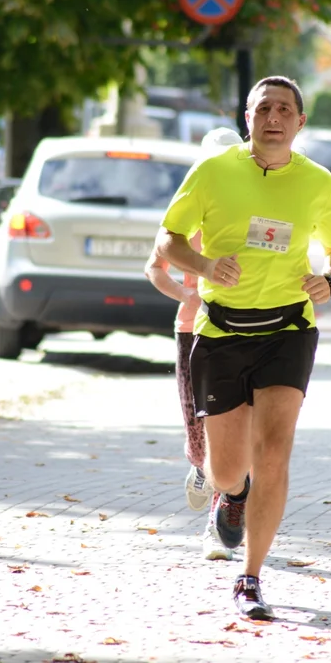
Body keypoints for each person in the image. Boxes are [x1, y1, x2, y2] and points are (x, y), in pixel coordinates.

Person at [154, 76, 331, 620]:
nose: (273, 117)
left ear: (299, 122)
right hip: (220, 331)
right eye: (263, 107)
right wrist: (202, 265)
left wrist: (329, 282)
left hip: (288, 329)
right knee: (225, 470)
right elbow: (167, 239)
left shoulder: (318, 182)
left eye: (284, 109)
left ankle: (251, 578)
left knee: (275, 451)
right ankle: (231, 493)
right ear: (248, 118)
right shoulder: (214, 172)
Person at [144, 126, 244, 562]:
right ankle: (202, 467)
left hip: (241, 330)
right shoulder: (186, 211)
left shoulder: (249, 211)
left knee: (237, 434)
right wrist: (186, 294)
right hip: (191, 330)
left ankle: (217, 525)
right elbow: (155, 267)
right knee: (199, 433)